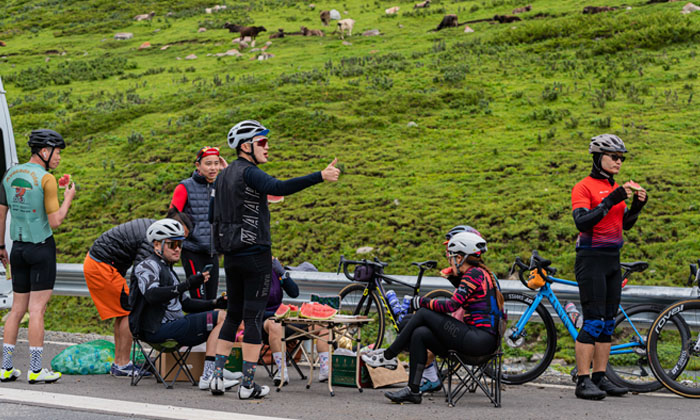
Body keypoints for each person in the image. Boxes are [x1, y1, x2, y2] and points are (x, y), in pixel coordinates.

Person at [209, 120, 340, 399]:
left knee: (233, 316)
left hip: (230, 256)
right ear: (246, 146)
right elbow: (280, 186)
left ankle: (216, 379)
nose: (267, 147)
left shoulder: (222, 176)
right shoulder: (250, 172)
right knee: (254, 318)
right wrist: (320, 175)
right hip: (256, 255)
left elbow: (212, 215)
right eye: (263, 142)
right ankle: (247, 384)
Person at [362, 231, 504, 404]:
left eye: (451, 257)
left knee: (423, 312)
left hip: (478, 341)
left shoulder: (474, 274)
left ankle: (389, 355)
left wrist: (420, 301)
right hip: (480, 340)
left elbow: (451, 305)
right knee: (420, 333)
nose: (449, 261)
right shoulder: (481, 274)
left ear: (460, 258)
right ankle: (413, 390)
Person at [571, 134, 647, 400]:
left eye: (621, 158)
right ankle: (582, 381)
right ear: (598, 157)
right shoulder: (584, 187)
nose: (619, 162)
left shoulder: (615, 188)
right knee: (592, 322)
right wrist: (608, 201)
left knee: (606, 325)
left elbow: (623, 224)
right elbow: (582, 222)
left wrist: (636, 207)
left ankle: (600, 378)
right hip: (591, 260)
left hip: (612, 261)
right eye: (614, 157)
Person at [129, 218, 241, 390]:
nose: (178, 250)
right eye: (172, 245)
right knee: (222, 318)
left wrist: (215, 302)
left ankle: (216, 369)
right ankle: (210, 374)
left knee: (220, 312)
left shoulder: (168, 269)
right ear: (157, 245)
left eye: (180, 245)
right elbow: (152, 295)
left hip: (173, 325)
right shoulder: (147, 266)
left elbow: (186, 304)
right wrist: (187, 284)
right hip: (156, 329)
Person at [0, 129, 76, 383]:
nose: (58, 158)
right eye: (57, 153)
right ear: (44, 151)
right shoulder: (46, 179)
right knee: (37, 309)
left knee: (16, 309)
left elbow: (1, 213)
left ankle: (6, 367)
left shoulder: (10, 174)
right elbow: (55, 221)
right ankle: (35, 369)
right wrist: (68, 199)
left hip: (17, 248)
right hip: (41, 247)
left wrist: (1, 246)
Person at [83, 208, 192, 377]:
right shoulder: (153, 241)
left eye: (183, 239)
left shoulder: (153, 231)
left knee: (122, 313)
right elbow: (142, 272)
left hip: (100, 263)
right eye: (177, 238)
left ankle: (119, 362)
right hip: (102, 266)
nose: (179, 243)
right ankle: (123, 364)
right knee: (129, 312)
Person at [262, 258, 330, 386]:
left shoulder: (276, 272)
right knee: (274, 323)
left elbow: (294, 293)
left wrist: (283, 274)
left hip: (284, 319)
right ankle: (282, 371)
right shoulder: (252, 272)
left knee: (322, 325)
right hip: (263, 322)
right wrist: (277, 315)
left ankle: (324, 370)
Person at [170, 146, 226, 300]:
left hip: (213, 252)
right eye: (208, 163)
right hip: (192, 251)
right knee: (198, 298)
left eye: (216, 163)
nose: (213, 168)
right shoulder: (184, 187)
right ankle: (198, 324)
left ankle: (209, 324)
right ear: (198, 165)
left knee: (211, 299)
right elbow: (172, 218)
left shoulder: (222, 185)